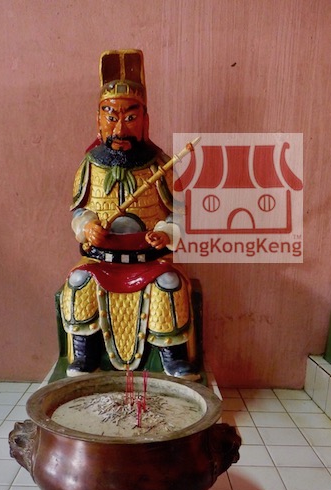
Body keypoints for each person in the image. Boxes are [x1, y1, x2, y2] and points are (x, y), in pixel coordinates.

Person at [60, 49, 200, 380]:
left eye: (130, 118)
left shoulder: (159, 165)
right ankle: (85, 355)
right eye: (111, 117)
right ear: (98, 119)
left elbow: (178, 213)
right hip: (101, 259)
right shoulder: (89, 165)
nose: (120, 129)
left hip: (148, 261)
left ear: (145, 120)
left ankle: (173, 357)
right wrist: (87, 227)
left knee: (169, 285)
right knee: (79, 283)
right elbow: (79, 210)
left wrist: (165, 233)